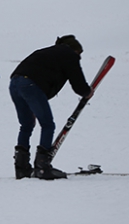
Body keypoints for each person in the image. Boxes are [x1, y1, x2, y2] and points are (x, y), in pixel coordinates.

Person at [10, 35, 93, 180]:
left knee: (27, 124)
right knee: (47, 124)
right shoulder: (69, 55)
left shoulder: (49, 52)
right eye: (79, 53)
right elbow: (78, 83)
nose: (79, 57)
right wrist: (87, 92)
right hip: (30, 85)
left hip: (15, 83)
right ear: (75, 49)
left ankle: (21, 168)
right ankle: (43, 167)